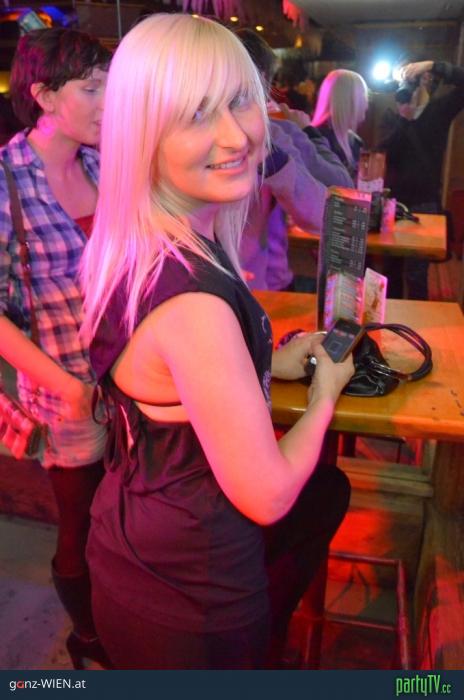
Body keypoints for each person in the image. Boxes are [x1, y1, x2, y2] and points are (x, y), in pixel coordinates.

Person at [81, 13, 353, 670]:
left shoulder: (142, 242)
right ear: (143, 135)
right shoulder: (194, 303)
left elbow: (166, 380)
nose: (237, 135)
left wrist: (266, 360)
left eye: (240, 101)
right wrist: (325, 393)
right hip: (190, 601)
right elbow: (268, 493)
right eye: (197, 114)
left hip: (138, 554)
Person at [0, 28, 111, 668]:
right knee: (82, 523)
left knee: (122, 519)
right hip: (64, 389)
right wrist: (70, 389)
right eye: (90, 88)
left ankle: (120, 626)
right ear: (43, 96)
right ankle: (88, 638)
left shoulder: (100, 163)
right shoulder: (6, 182)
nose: (106, 101)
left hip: (127, 380)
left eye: (108, 86)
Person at [235, 29, 353, 291]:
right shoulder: (184, 137)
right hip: (235, 288)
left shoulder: (275, 136)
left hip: (257, 288)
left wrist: (274, 157)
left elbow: (327, 213)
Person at [378, 60, 464, 299]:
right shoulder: (392, 115)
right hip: (393, 204)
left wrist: (434, 65)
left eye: (415, 78)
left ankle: (416, 321)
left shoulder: (439, 111)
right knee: (390, 273)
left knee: (417, 277)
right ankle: (390, 320)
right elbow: (383, 152)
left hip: (425, 204)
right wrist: (404, 120)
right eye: (405, 79)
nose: (410, 86)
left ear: (428, 80)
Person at [312, 69, 369, 180]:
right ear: (348, 100)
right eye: (363, 97)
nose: (366, 104)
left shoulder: (354, 141)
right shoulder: (317, 139)